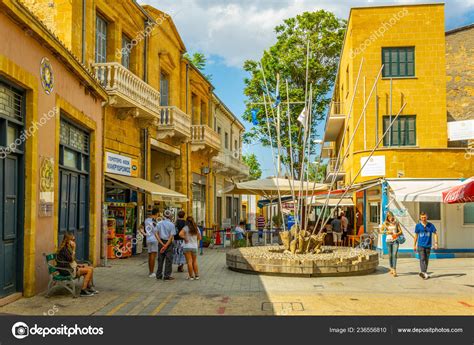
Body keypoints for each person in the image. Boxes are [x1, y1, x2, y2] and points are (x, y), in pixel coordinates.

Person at [56, 232, 98, 297]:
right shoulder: (64, 249)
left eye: (74, 240)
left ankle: (88, 287)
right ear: (67, 240)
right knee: (89, 270)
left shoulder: (67, 248)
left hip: (70, 267)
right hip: (67, 270)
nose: (74, 242)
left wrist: (77, 265)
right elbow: (71, 260)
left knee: (91, 268)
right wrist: (74, 249)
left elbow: (70, 261)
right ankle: (83, 290)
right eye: (72, 240)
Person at [414, 212, 438, 280]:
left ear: (427, 217)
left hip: (428, 245)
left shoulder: (431, 225)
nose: (423, 219)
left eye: (424, 217)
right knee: (422, 259)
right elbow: (416, 236)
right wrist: (414, 245)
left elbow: (435, 234)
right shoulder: (418, 226)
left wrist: (436, 243)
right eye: (422, 217)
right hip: (420, 245)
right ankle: (423, 272)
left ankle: (424, 273)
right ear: (420, 218)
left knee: (426, 260)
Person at [380, 211, 402, 277]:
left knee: (394, 254)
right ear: (387, 217)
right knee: (390, 255)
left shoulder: (396, 222)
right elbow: (381, 231)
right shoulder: (385, 223)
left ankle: (394, 270)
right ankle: (391, 268)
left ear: (393, 216)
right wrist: (387, 232)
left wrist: (396, 234)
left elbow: (400, 231)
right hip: (388, 241)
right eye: (388, 216)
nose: (390, 217)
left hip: (395, 240)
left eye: (390, 216)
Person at [179, 216, 202, 280]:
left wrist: (185, 238)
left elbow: (180, 234)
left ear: (186, 221)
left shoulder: (185, 228)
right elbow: (200, 238)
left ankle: (191, 276)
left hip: (187, 246)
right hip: (194, 247)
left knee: (189, 261)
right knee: (194, 261)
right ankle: (197, 276)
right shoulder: (196, 228)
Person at [156, 209, 176, 281]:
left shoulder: (159, 223)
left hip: (161, 242)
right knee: (168, 259)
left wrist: (162, 243)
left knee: (160, 259)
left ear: (163, 215)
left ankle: (158, 275)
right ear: (170, 216)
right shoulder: (172, 225)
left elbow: (156, 234)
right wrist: (166, 245)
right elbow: (171, 237)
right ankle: (167, 275)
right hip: (168, 243)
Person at [143, 208, 160, 278]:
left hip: (148, 239)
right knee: (153, 256)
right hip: (155, 239)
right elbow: (157, 231)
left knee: (150, 255)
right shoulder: (156, 221)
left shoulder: (146, 220)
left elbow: (140, 227)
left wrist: (144, 234)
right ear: (157, 213)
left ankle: (150, 271)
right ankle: (152, 272)